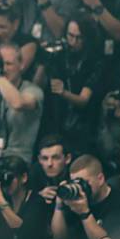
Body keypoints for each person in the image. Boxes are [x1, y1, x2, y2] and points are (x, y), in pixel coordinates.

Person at [36, 16, 102, 151]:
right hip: (53, 118)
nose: (74, 42)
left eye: (79, 38)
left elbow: (83, 100)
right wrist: (43, 62)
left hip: (81, 124)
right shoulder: (59, 54)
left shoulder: (95, 62)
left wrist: (63, 93)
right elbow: (36, 86)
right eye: (70, 36)